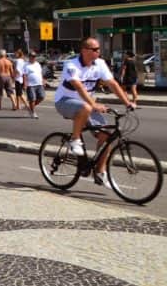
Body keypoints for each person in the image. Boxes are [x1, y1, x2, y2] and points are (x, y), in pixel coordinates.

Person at [55, 38, 136, 188]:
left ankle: (99, 172)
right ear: (84, 50)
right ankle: (74, 140)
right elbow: (79, 87)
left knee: (106, 135)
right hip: (64, 101)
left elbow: (112, 83)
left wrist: (127, 102)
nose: (98, 52)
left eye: (99, 49)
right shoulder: (71, 64)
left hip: (86, 103)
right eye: (95, 49)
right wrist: (94, 104)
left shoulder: (99, 63)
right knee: (85, 107)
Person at [23, 50, 45, 119]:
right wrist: (25, 84)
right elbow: (25, 75)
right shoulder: (26, 65)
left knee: (41, 97)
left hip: (39, 83)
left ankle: (30, 107)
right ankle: (33, 112)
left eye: (34, 56)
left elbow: (40, 73)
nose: (33, 57)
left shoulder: (37, 64)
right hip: (30, 85)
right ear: (29, 57)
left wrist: (43, 80)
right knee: (32, 99)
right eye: (32, 56)